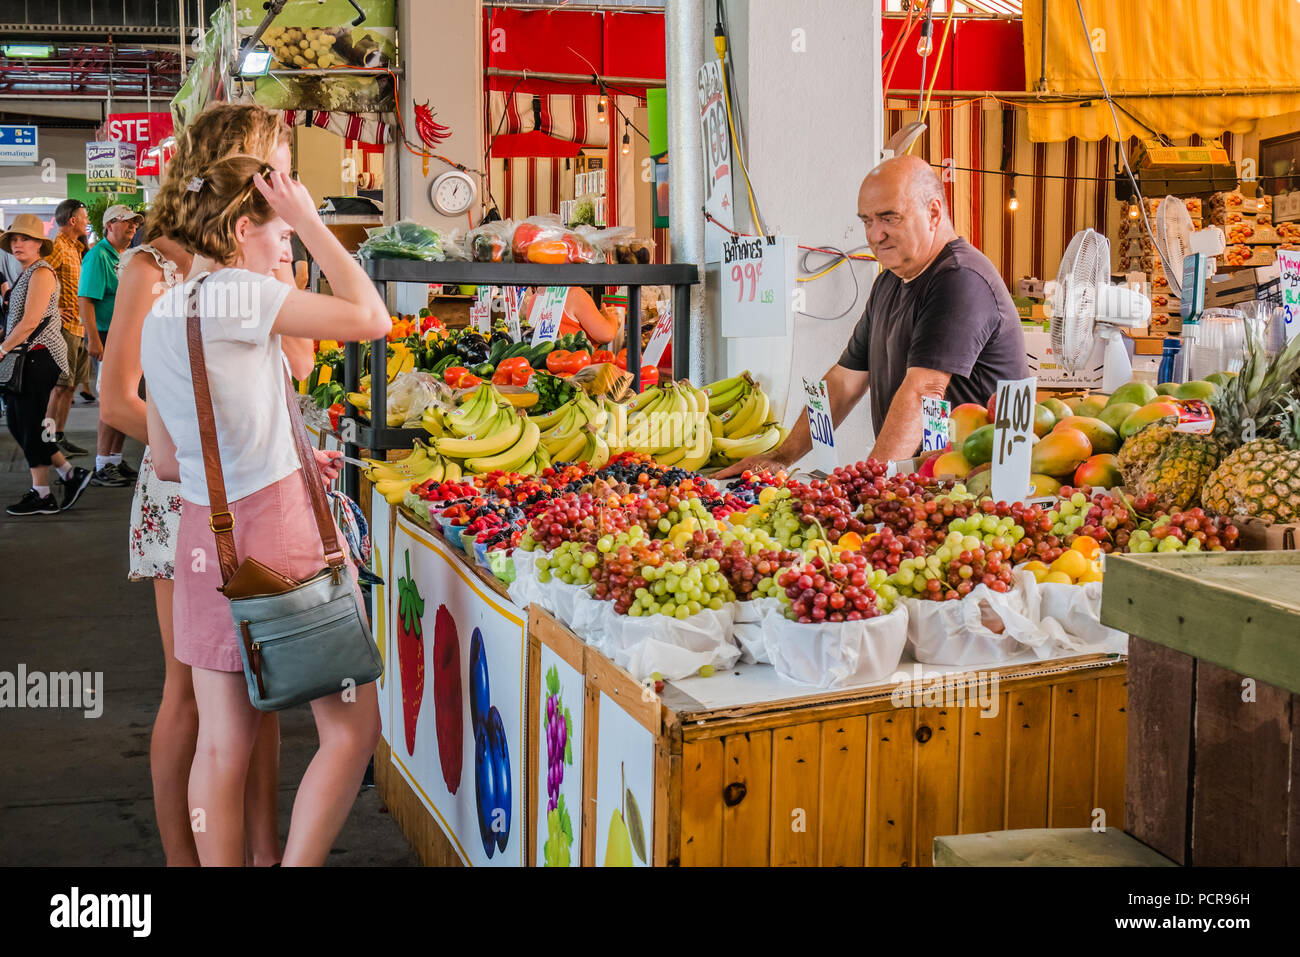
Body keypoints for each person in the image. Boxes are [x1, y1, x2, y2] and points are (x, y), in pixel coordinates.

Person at [141, 158, 388, 866]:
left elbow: (165, 458)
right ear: (243, 228)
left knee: (221, 742)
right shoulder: (243, 294)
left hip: (203, 532)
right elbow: (371, 316)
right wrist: (315, 220)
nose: (286, 249)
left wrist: (278, 448)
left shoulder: (165, 311)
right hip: (279, 527)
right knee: (350, 727)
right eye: (279, 234)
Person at [100, 103, 313, 866]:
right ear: (243, 166)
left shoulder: (253, 257)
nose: (286, 181)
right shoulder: (151, 264)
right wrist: (201, 447)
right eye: (277, 163)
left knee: (259, 693)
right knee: (190, 695)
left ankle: (258, 851)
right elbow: (117, 395)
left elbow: (302, 367)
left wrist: (282, 264)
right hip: (187, 493)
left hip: (253, 490)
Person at [719, 155, 1029, 476]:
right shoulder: (889, 282)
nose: (875, 235)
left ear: (933, 212)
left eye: (889, 218)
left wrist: (867, 485)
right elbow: (843, 384)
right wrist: (781, 457)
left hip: (975, 488)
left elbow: (924, 389)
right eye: (867, 221)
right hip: (918, 484)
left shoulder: (960, 278)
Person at [0, 214, 93, 515]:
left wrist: (2, 348)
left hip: (38, 358)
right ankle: (68, 473)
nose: (17, 244)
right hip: (28, 357)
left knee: (28, 425)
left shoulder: (41, 273)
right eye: (14, 239)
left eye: (25, 238)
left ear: (39, 243)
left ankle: (42, 493)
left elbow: (30, 322)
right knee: (23, 424)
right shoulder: (28, 273)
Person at [80, 205, 143, 487]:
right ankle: (103, 463)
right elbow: (86, 300)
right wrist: (93, 338)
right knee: (110, 400)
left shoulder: (123, 256)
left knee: (124, 398)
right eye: (126, 222)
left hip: (123, 335)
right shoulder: (98, 257)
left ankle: (114, 458)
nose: (132, 227)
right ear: (109, 226)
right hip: (107, 336)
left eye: (134, 223)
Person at [44, 199, 91, 457]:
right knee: (59, 387)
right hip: (64, 329)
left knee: (69, 387)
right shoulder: (58, 247)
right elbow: (37, 277)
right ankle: (47, 440)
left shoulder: (75, 247)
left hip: (78, 327)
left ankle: (58, 436)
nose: (87, 222)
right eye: (84, 217)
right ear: (72, 220)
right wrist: (53, 310)